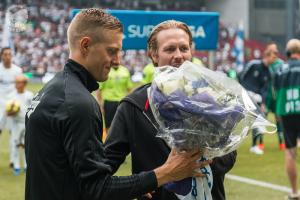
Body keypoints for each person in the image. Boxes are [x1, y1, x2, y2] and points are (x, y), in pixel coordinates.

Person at [25, 9, 209, 200]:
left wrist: (133, 187)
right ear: (85, 45)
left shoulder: (51, 90)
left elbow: (77, 179)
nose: (117, 61)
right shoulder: (79, 104)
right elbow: (97, 188)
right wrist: (166, 173)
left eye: (184, 48)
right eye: (112, 51)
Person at [104, 20, 237, 200]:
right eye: (169, 49)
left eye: (184, 48)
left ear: (191, 52)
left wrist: (201, 160)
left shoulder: (210, 98)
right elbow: (104, 167)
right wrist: (139, 186)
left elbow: (229, 155)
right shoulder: (133, 106)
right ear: (154, 55)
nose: (178, 55)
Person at [239, 43, 278, 155]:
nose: (274, 60)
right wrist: (245, 92)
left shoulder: (269, 72)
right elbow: (241, 75)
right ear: (267, 55)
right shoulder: (253, 64)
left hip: (257, 99)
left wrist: (263, 103)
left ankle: (255, 145)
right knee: (237, 121)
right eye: (273, 57)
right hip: (245, 96)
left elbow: (265, 89)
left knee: (258, 120)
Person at [273, 39, 300, 200]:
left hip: (286, 111)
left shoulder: (279, 70)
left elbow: (275, 92)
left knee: (290, 152)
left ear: (288, 53)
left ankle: (294, 192)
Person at [0, 74, 33, 175]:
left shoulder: (29, 95)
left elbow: (33, 110)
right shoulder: (12, 96)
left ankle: (27, 166)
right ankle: (17, 167)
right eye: (16, 82)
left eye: (19, 82)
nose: (17, 85)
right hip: (15, 124)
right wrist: (10, 112)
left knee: (26, 145)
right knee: (15, 144)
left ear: (24, 84)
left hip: (27, 124)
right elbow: (6, 111)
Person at [0, 47, 23, 168]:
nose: (7, 56)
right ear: (1, 56)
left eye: (9, 54)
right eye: (5, 54)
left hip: (12, 106)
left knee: (12, 133)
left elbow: (20, 89)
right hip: (0, 105)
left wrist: (15, 105)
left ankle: (12, 161)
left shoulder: (17, 71)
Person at [95, 63, 132, 134]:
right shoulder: (105, 71)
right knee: (109, 125)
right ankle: (110, 144)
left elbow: (129, 89)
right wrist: (100, 104)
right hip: (109, 102)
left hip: (122, 102)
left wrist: (129, 103)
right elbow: (99, 89)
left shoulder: (125, 71)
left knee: (123, 125)